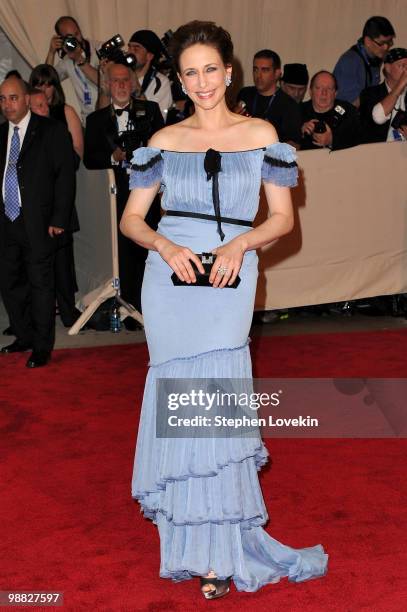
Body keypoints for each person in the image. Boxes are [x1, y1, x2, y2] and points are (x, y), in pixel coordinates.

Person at [120, 20, 328, 599]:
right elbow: (132, 219)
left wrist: (239, 245)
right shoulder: (162, 141)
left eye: (211, 69)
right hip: (172, 276)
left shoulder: (262, 132)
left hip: (233, 271)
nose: (202, 81)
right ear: (179, 80)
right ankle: (192, 546)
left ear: (229, 72)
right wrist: (165, 245)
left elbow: (283, 219)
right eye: (190, 72)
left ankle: (223, 545)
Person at [0, 77, 75, 367]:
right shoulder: (1, 133)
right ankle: (24, 335)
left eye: (13, 98)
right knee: (9, 283)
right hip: (7, 221)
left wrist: (59, 217)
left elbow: (65, 177)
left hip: (39, 222)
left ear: (27, 99)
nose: (8, 105)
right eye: (3, 99)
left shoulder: (51, 131)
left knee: (40, 283)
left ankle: (42, 346)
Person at [84, 62, 163, 328]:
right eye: (115, 81)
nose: (120, 85)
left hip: (147, 195)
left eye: (124, 80)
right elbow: (89, 159)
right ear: (107, 84)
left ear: (133, 84)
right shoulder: (95, 120)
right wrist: (112, 157)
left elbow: (164, 146)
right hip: (112, 198)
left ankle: (152, 307)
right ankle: (127, 308)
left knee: (149, 251)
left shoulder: (149, 111)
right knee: (122, 255)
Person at [29, 64, 83, 328]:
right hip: (31, 204)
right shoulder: (23, 126)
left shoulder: (63, 116)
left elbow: (73, 162)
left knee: (62, 262)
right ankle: (34, 315)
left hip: (58, 200)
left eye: (48, 84)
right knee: (32, 261)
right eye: (38, 85)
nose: (44, 90)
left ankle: (67, 310)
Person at [236, 49, 302, 148]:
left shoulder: (289, 106)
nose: (258, 75)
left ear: (277, 74)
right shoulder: (245, 94)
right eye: (255, 69)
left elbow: (295, 146)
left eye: (265, 70)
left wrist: (270, 137)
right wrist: (232, 117)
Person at [45, 16, 100, 123]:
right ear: (62, 39)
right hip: (88, 121)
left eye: (77, 34)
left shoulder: (98, 48)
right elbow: (47, 80)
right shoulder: (67, 61)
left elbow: (104, 82)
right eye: (70, 37)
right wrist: (51, 52)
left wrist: (78, 58)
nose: (76, 40)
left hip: (109, 115)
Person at [333, 16, 395, 107]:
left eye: (389, 42)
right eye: (381, 43)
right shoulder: (350, 62)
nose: (386, 47)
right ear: (368, 41)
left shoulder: (374, 58)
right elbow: (348, 106)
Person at [300, 70, 361, 150]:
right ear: (310, 92)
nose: (324, 93)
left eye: (329, 88)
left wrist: (332, 140)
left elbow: (359, 139)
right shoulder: (298, 112)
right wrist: (300, 131)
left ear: (335, 93)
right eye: (318, 88)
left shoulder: (347, 111)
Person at [360, 48, 407, 143]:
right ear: (388, 68)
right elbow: (378, 117)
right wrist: (400, 85)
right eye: (402, 66)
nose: (406, 70)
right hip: (378, 153)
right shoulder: (370, 94)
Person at [128, 30, 173, 120]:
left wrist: (133, 78)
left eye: (136, 49)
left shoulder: (161, 82)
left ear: (149, 56)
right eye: (129, 47)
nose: (130, 52)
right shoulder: (120, 76)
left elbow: (156, 121)